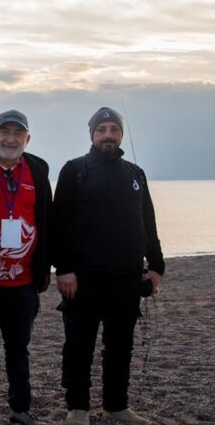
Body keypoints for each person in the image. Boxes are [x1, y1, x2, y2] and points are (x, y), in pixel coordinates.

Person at [53, 107, 164, 425]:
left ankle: (116, 404)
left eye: (114, 129)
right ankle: (77, 408)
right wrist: (63, 269)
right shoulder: (74, 170)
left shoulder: (135, 173)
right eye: (101, 129)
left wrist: (156, 267)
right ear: (92, 135)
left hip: (127, 277)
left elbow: (148, 223)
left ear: (121, 135)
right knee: (79, 346)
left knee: (120, 346)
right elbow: (59, 224)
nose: (108, 135)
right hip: (84, 278)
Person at [0, 110, 51, 425]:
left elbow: (46, 220)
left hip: (25, 284)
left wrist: (46, 267)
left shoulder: (39, 170)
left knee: (19, 349)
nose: (11, 139)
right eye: (5, 132)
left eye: (18, 133)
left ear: (27, 139)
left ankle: (20, 409)